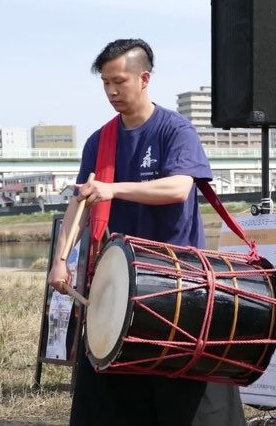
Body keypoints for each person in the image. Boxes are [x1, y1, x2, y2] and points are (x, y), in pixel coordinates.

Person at [46, 38, 245, 426]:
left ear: (144, 78)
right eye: (105, 83)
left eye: (119, 81)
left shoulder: (175, 129)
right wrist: (59, 261)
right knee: (110, 397)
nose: (111, 91)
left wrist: (113, 189)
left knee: (178, 397)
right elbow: (80, 203)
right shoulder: (99, 140)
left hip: (175, 282)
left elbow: (178, 188)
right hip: (116, 282)